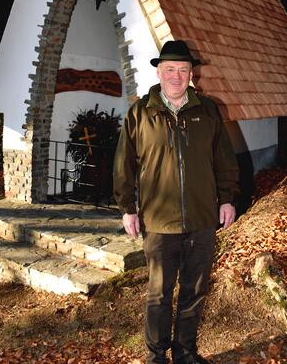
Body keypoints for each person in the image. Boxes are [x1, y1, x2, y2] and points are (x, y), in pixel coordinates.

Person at [113, 40, 240, 364]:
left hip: (201, 219)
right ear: (159, 71)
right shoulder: (140, 113)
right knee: (159, 294)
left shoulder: (207, 110)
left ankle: (185, 351)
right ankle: (157, 355)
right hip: (158, 222)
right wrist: (128, 208)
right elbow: (123, 165)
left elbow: (225, 160)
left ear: (191, 74)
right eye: (170, 69)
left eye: (183, 70)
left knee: (194, 291)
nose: (176, 76)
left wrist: (226, 200)